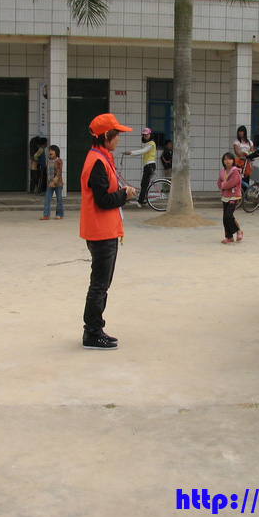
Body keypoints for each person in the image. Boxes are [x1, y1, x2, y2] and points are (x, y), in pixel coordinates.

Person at [80, 114, 138, 350]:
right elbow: (103, 200)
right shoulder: (97, 162)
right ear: (106, 135)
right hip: (101, 232)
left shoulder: (102, 157)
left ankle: (96, 329)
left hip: (105, 230)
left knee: (102, 284)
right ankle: (92, 333)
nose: (119, 139)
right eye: (117, 135)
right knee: (99, 285)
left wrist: (122, 192)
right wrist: (124, 195)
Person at [124, 127, 157, 207]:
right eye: (144, 135)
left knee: (144, 184)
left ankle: (140, 201)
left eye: (147, 134)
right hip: (148, 165)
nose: (145, 136)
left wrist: (131, 153)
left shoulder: (151, 144)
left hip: (149, 165)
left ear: (150, 134)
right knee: (144, 184)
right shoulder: (147, 143)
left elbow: (142, 151)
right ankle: (142, 199)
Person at [217, 152, 243, 243]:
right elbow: (219, 182)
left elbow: (232, 183)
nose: (227, 161)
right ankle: (229, 237)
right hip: (225, 196)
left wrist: (223, 185)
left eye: (229, 159)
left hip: (234, 196)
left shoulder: (235, 171)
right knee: (225, 218)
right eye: (225, 159)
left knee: (228, 215)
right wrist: (222, 187)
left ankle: (238, 230)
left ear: (233, 161)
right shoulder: (222, 172)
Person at [41, 145, 64, 220]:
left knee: (59, 199)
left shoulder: (59, 161)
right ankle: (46, 214)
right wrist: (49, 182)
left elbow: (59, 173)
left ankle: (59, 214)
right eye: (49, 150)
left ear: (56, 152)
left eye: (52, 150)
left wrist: (54, 181)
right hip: (50, 184)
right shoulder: (48, 161)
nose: (50, 152)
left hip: (58, 184)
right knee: (47, 198)